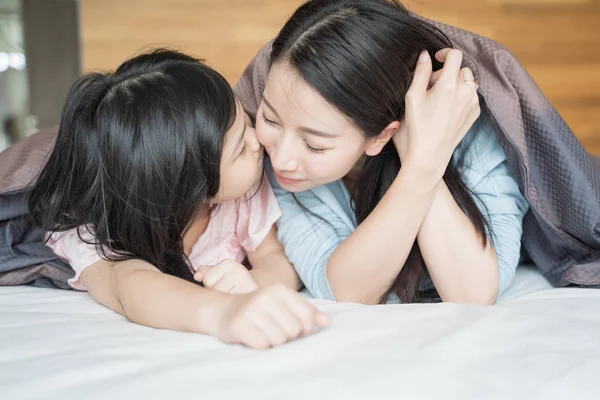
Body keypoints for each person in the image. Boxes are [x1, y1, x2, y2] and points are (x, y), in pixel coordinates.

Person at [28, 49, 329, 349]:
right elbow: (130, 285)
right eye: (240, 146)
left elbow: (278, 260)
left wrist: (255, 286)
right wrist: (223, 311)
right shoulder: (90, 231)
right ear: (189, 185)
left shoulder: (243, 194)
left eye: (247, 123)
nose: (258, 140)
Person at [245, 0, 529, 305]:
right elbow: (345, 290)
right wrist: (420, 162)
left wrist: (419, 151)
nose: (281, 158)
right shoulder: (263, 156)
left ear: (382, 134)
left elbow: (473, 293)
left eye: (314, 144)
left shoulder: (467, 128)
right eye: (270, 119)